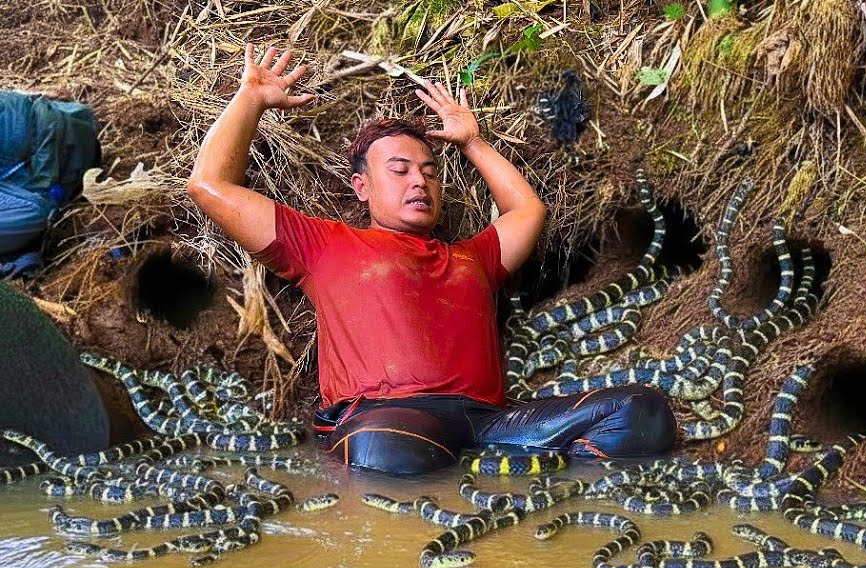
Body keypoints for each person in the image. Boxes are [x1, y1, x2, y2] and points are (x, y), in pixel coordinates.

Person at [186, 43, 675, 475]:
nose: (419, 181)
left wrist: (472, 142)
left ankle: (535, 500)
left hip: (487, 424)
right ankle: (489, 488)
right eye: (399, 170)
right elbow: (210, 187)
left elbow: (528, 210)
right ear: (362, 188)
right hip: (385, 419)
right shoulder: (323, 245)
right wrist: (249, 99)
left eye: (429, 171)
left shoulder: (474, 256)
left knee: (640, 411)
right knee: (381, 446)